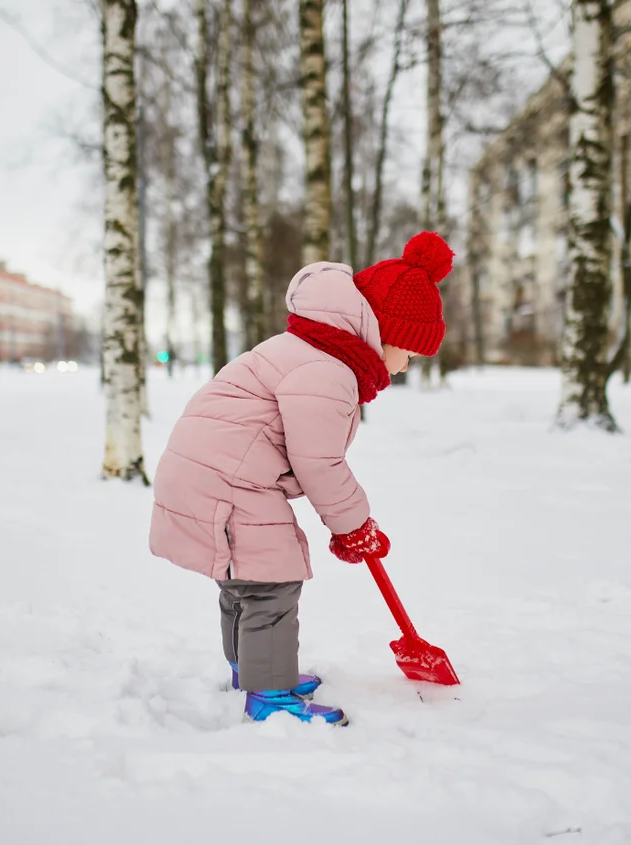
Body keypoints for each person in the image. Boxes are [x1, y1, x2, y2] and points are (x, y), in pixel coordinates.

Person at [149, 232, 452, 726]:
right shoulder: (327, 371)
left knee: (245, 583)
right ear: (385, 333)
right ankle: (269, 696)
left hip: (209, 475)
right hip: (229, 483)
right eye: (410, 354)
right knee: (270, 584)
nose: (403, 369)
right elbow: (319, 463)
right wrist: (355, 526)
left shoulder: (308, 351)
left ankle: (254, 670)